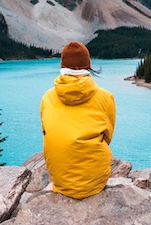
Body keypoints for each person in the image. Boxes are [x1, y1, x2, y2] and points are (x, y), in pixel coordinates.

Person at [40, 41, 116, 199]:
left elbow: (46, 132)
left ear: (62, 66)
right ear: (88, 66)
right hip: (94, 182)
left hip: (60, 181)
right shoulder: (105, 97)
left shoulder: (47, 97)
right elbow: (107, 136)